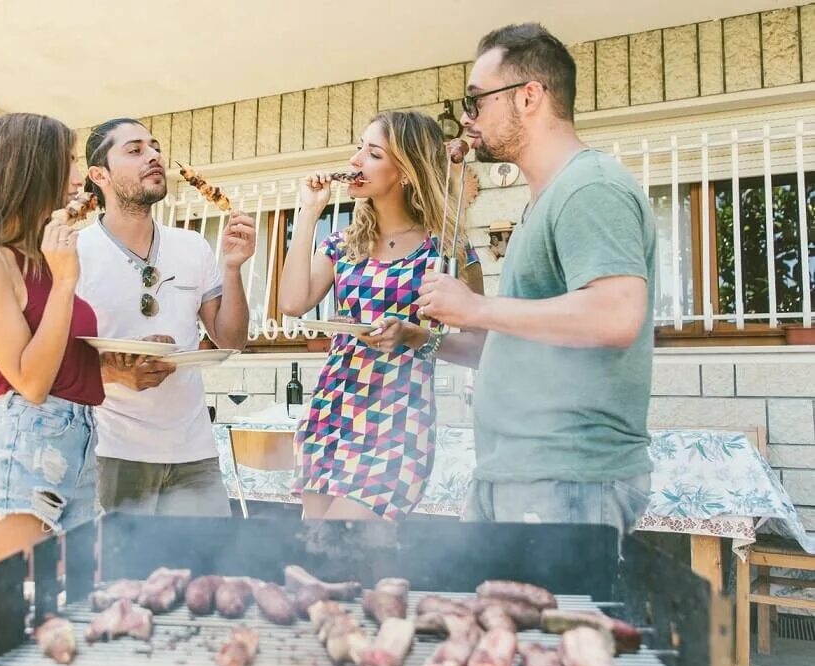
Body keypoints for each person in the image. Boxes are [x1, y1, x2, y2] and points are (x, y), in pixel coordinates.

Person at [417, 23, 658, 536]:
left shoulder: (588, 188)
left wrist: (477, 309)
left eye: (477, 99)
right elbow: (518, 345)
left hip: (566, 476)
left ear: (529, 97)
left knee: (552, 620)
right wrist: (425, 343)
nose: (466, 117)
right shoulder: (544, 202)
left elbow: (617, 314)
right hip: (520, 472)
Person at [278, 110, 484, 520]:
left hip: (397, 421)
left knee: (346, 542)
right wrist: (308, 213)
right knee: (318, 555)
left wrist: (416, 337)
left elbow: (481, 349)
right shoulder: (343, 244)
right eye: (359, 148)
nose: (355, 161)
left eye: (372, 153)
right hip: (332, 410)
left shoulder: (446, 252)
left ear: (405, 170)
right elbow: (292, 302)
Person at [0, 113, 103, 578]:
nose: (78, 178)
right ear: (32, 170)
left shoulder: (40, 258)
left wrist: (122, 370)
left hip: (80, 447)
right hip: (26, 444)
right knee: (5, 628)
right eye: (68, 162)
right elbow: (32, 382)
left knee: (69, 628)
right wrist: (65, 282)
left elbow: (60, 364)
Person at [76, 118, 255, 517]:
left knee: (208, 576)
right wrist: (116, 373)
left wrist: (232, 267)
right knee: (126, 579)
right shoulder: (74, 253)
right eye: (135, 150)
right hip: (112, 454)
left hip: (194, 455)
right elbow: (53, 359)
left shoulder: (192, 247)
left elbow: (231, 340)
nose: (154, 155)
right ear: (99, 174)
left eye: (155, 147)